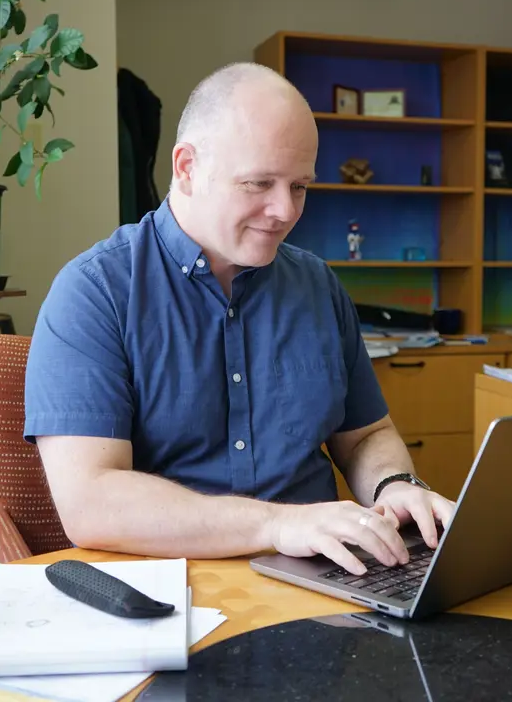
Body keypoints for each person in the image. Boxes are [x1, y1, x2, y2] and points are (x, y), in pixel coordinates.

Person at [23, 62, 457, 576]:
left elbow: (364, 435)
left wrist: (393, 486)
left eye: (299, 186)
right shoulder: (95, 292)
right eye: (259, 183)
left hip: (330, 582)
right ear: (186, 167)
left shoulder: (317, 285)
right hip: (174, 593)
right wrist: (277, 526)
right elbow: (90, 503)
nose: (285, 211)